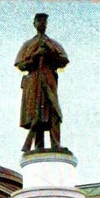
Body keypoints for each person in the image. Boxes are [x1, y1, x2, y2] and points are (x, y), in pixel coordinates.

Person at [15, 13, 69, 152]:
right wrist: (35, 55)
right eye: (39, 20)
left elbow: (63, 61)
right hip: (34, 81)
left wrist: (49, 52)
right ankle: (38, 146)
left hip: (49, 80)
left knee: (54, 113)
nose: (42, 23)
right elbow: (20, 64)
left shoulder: (53, 43)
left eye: (44, 21)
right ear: (34, 23)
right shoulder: (28, 44)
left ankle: (55, 144)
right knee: (37, 114)